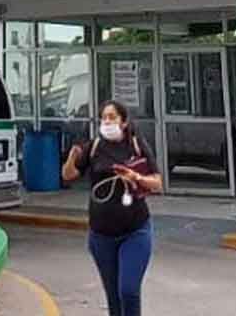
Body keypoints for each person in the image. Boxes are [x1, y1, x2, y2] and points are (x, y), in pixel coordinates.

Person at [63, 101, 162, 316]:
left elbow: (157, 182)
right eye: (103, 117)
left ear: (124, 122)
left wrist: (135, 177)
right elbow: (68, 176)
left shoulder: (136, 145)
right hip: (101, 235)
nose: (106, 121)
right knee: (113, 296)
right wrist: (72, 157)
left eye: (112, 117)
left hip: (135, 230)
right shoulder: (95, 146)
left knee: (128, 290)